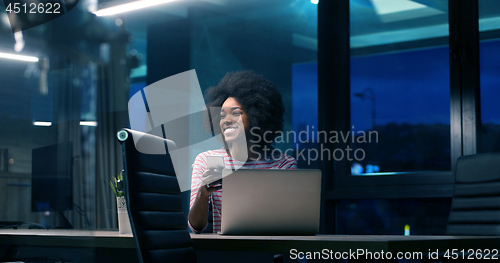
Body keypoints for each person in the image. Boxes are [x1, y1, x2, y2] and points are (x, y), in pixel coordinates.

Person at [188, 71, 297, 233]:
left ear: (257, 116)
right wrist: (202, 196)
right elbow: (195, 228)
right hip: (227, 253)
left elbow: (292, 221)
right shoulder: (205, 160)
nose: (226, 120)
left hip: (272, 254)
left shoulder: (283, 164)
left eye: (236, 113)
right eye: (222, 115)